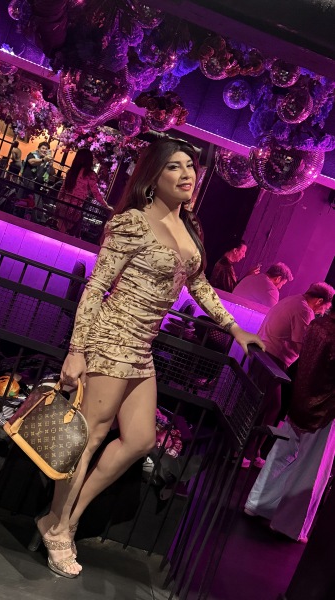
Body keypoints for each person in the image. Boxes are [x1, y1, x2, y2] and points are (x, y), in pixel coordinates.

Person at [33, 138, 265, 578]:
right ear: (153, 177)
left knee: (140, 440)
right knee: (89, 437)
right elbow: (96, 286)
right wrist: (77, 350)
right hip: (112, 337)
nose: (187, 174)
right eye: (174, 167)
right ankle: (59, 527)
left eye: (190, 166)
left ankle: (65, 519)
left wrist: (234, 327)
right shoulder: (131, 223)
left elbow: (198, 284)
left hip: (142, 346)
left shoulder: (189, 227)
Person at [244, 295, 335, 543]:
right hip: (325, 409)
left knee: (280, 455)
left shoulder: (317, 325)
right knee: (311, 469)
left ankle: (257, 503)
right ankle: (288, 525)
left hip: (299, 400)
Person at [242, 282, 335, 468]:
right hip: (272, 360)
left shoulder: (292, 300)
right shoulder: (304, 311)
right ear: (319, 301)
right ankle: (245, 452)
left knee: (265, 406)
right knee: (267, 408)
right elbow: (303, 345)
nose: (323, 312)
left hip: (263, 354)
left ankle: (251, 451)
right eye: (325, 307)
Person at [55, 148, 113, 236]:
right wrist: (106, 206)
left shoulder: (72, 171)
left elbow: (63, 188)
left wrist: (58, 202)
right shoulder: (89, 175)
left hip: (64, 204)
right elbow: (96, 193)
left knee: (60, 231)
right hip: (75, 208)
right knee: (70, 234)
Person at [20, 141, 55, 220]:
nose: (44, 150)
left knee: (35, 207)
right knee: (26, 204)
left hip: (37, 188)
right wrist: (43, 160)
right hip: (27, 184)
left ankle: (32, 220)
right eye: (43, 148)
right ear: (38, 149)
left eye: (46, 149)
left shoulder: (46, 161)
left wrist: (51, 165)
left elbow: (52, 173)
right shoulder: (32, 154)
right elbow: (31, 162)